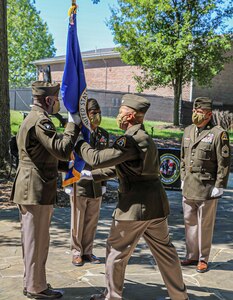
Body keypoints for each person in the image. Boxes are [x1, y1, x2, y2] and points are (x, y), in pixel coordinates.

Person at [75, 94, 189, 300]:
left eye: (120, 113)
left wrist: (80, 141)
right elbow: (122, 167)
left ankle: (112, 296)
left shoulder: (130, 139)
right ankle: (180, 296)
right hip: (156, 206)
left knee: (116, 251)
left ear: (130, 115)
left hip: (134, 208)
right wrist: (89, 175)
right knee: (166, 252)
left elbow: (97, 158)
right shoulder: (144, 137)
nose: (117, 116)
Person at [10, 81, 81, 299]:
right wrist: (73, 124)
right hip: (36, 188)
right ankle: (35, 287)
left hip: (32, 186)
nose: (58, 102)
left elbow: (41, 154)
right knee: (37, 241)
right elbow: (61, 149)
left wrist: (66, 167)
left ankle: (32, 282)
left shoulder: (32, 118)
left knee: (34, 240)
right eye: (57, 99)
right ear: (48, 100)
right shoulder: (40, 121)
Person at [180, 97, 231, 273]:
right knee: (189, 222)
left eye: (200, 112)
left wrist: (220, 184)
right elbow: (182, 158)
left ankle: (203, 258)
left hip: (207, 188)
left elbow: (223, 162)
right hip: (188, 186)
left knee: (204, 225)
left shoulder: (218, 133)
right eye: (195, 111)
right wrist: (182, 178)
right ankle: (191, 255)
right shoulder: (187, 131)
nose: (196, 114)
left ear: (208, 114)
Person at [71, 98, 109, 267]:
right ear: (86, 115)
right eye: (93, 113)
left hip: (96, 184)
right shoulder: (78, 135)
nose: (97, 116)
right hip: (79, 183)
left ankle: (88, 251)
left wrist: (104, 183)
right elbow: (69, 159)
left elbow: (106, 161)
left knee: (92, 221)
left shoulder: (103, 134)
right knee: (77, 222)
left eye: (98, 112)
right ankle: (76, 252)